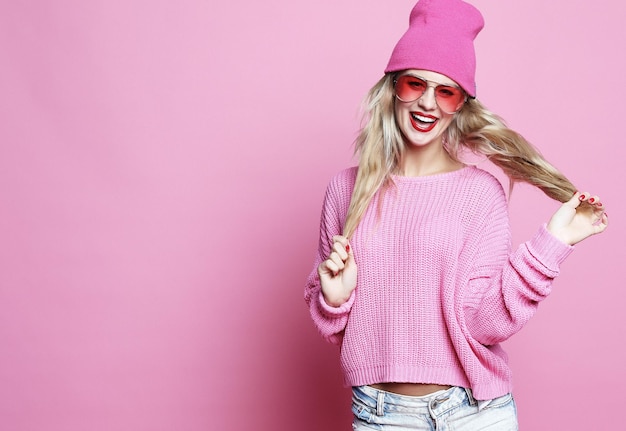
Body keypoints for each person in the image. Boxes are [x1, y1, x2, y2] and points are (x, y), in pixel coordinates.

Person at [304, 0, 609, 429]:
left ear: (460, 104)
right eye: (415, 84)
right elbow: (341, 328)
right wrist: (334, 300)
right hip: (381, 415)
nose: (427, 102)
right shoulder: (346, 190)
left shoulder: (479, 193)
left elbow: (483, 323)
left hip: (472, 414)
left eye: (445, 91)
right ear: (393, 88)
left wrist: (551, 244)